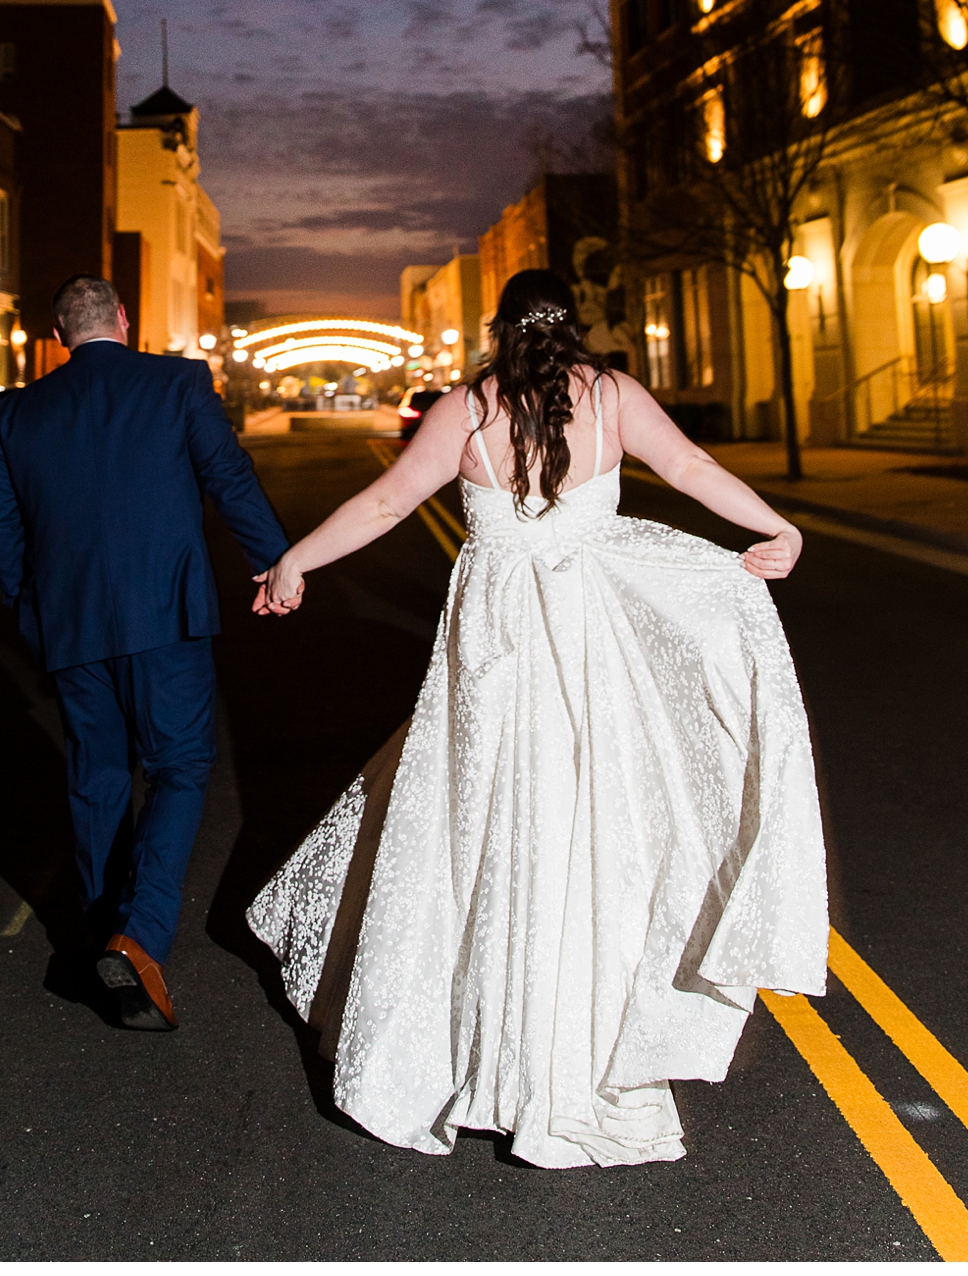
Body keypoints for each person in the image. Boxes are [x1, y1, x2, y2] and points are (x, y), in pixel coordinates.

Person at [246, 268, 827, 1168]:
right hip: (595, 650)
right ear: (575, 325)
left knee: (489, 836)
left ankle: (485, 1055)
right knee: (591, 841)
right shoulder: (613, 395)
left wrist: (296, 561)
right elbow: (690, 468)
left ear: (499, 327)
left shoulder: (467, 409)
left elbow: (389, 502)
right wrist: (773, 525)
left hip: (499, 652)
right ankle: (581, 1056)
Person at [0, 273, 287, 1032]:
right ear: (124, 319)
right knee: (180, 767)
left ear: (60, 335)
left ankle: (99, 942)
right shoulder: (177, 382)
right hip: (165, 617)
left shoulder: (16, 412)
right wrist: (277, 560)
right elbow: (228, 477)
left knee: (98, 777)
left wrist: (34, 615)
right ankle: (139, 937)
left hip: (71, 627)